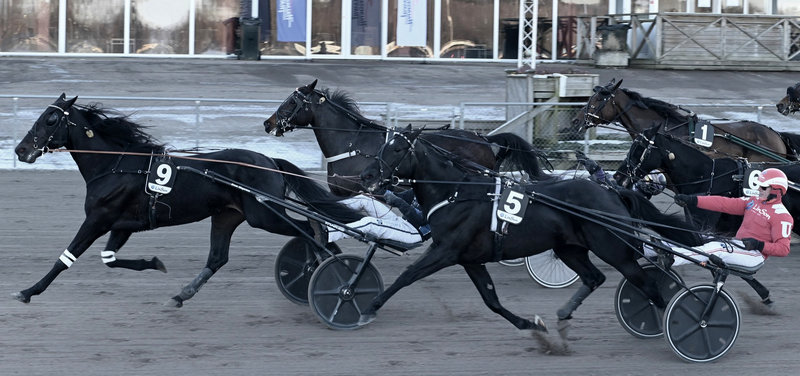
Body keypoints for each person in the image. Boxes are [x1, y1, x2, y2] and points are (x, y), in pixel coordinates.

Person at [670, 168, 793, 270]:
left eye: (764, 187)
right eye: (759, 185)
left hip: (754, 255)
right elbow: (723, 203)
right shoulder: (753, 200)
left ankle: (672, 259)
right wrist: (693, 200)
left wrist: (759, 245)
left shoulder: (782, 216)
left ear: (776, 191)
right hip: (739, 245)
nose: (759, 189)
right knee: (697, 236)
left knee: (716, 248)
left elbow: (783, 249)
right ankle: (658, 250)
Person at [310, 190, 426, 247]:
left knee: (369, 223)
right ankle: (326, 209)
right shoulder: (421, 188)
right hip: (401, 222)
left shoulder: (438, 199)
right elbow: (399, 197)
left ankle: (328, 233)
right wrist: (375, 192)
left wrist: (399, 202)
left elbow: (420, 220)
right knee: (364, 199)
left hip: (413, 233)